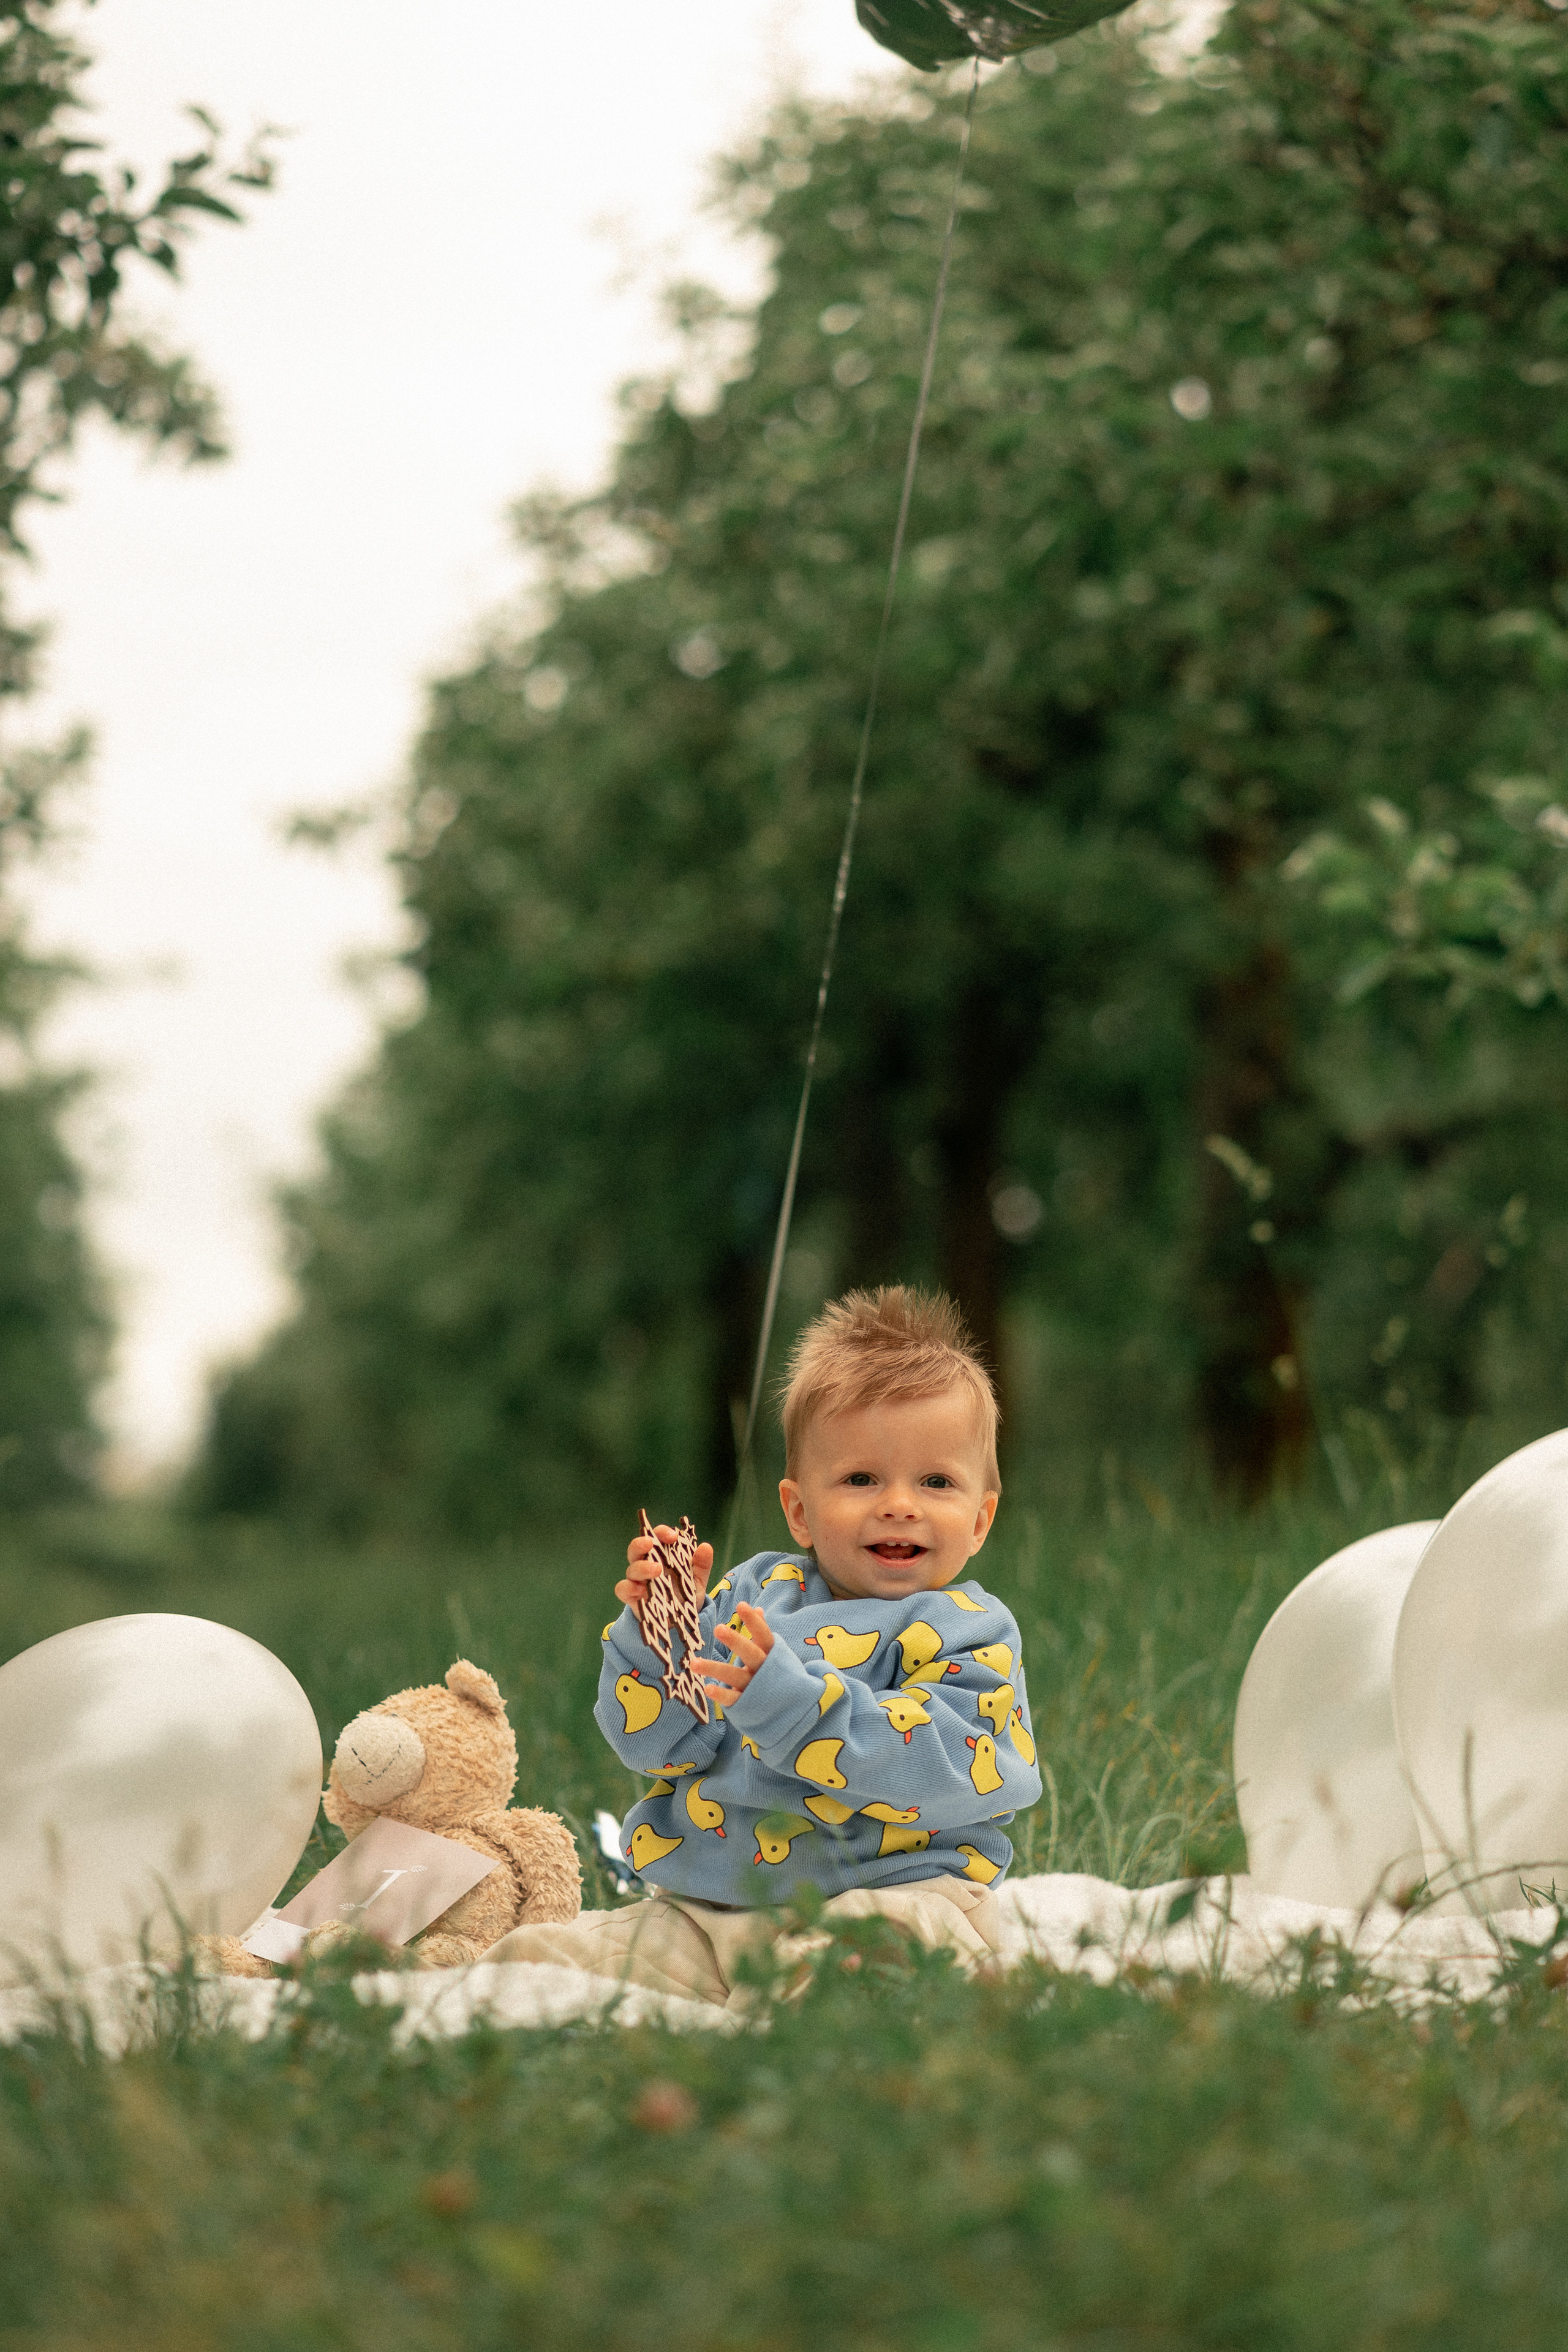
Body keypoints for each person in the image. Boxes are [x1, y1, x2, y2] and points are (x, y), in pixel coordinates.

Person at [483, 1286, 1041, 2007]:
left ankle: (823, 2005)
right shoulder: (753, 1597)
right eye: (861, 1478)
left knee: (887, 1957)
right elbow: (657, 1749)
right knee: (542, 1962)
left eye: (936, 1481)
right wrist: (660, 1638)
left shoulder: (972, 1629)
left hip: (892, 1894)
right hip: (710, 1910)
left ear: (980, 1520)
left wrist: (792, 1708)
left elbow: (948, 1768)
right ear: (799, 1510)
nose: (899, 1504)